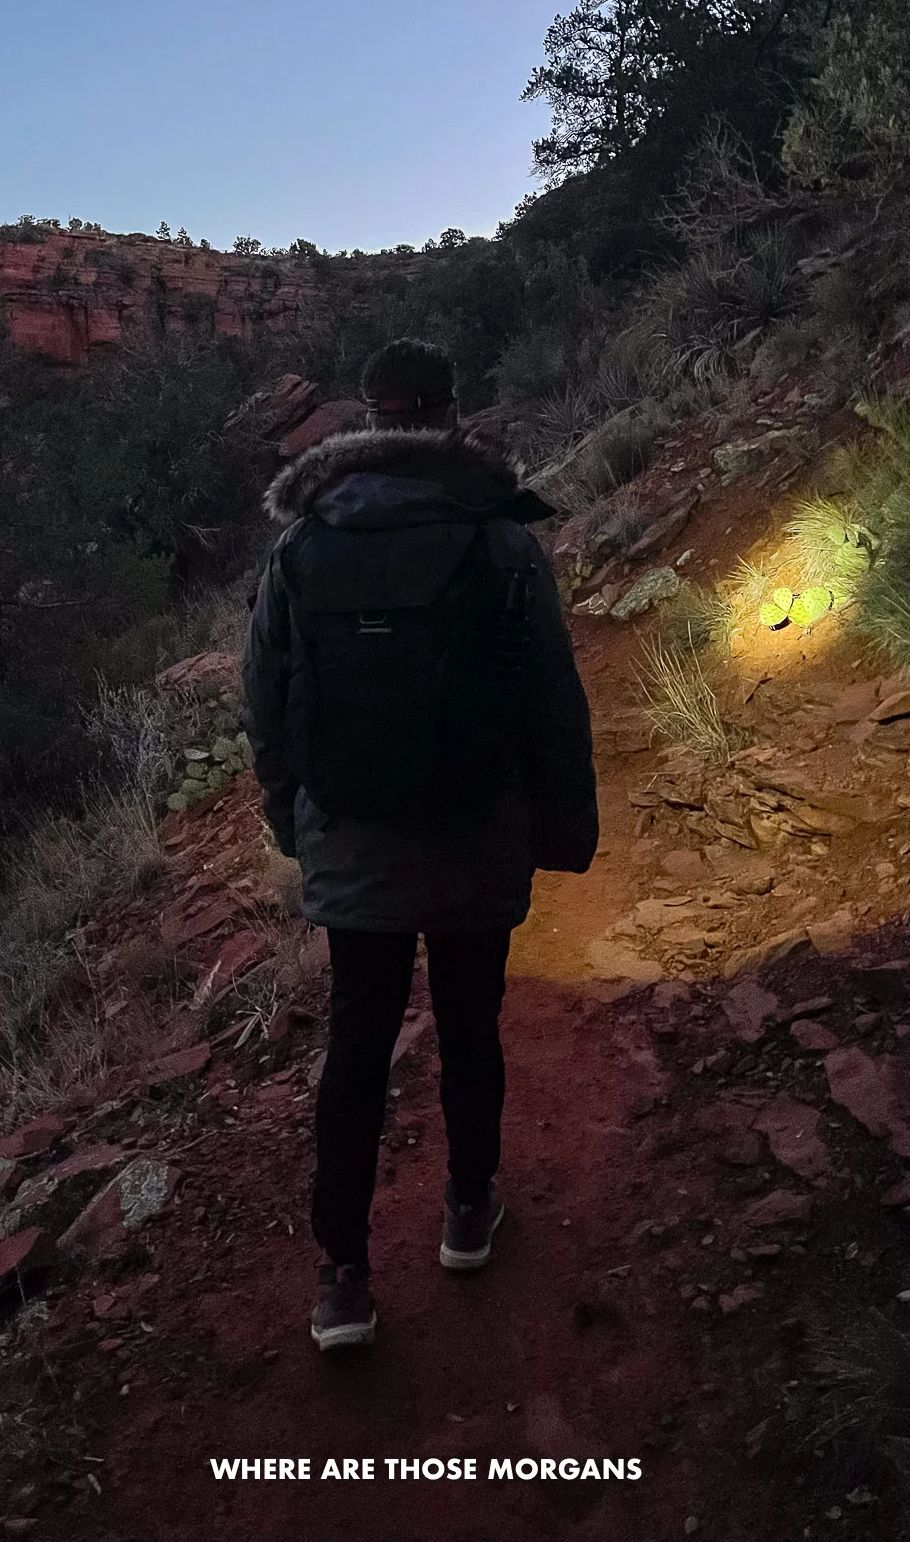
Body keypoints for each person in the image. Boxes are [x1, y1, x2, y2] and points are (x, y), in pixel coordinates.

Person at [242, 337, 597, 1351]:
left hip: (352, 840)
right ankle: (466, 1211)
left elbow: (264, 700)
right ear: (447, 414)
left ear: (367, 417)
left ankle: (344, 1277)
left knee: (356, 1046)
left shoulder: (303, 543)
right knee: (471, 1022)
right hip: (478, 831)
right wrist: (561, 830)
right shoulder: (499, 536)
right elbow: (550, 699)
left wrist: (291, 821)